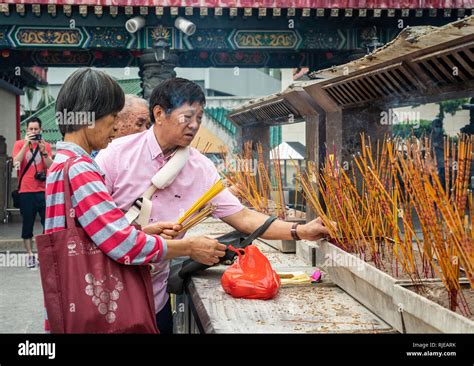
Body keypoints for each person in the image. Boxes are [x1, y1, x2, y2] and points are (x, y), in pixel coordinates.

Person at [95, 77, 331, 334]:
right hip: (105, 297)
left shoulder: (200, 168)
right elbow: (91, 224)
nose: (195, 125)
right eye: (187, 117)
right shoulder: (115, 155)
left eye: (199, 117)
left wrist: (300, 231)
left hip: (154, 298)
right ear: (159, 113)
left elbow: (243, 218)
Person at [43, 68, 226, 333]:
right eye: (113, 117)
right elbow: (122, 244)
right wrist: (188, 247)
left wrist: (141, 230)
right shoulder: (80, 169)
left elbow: (91, 235)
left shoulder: (60, 164)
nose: (116, 126)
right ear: (90, 116)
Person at [12, 117, 53, 268]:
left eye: (36, 129)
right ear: (27, 130)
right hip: (26, 191)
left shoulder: (46, 145)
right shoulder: (19, 144)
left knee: (47, 224)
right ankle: (29, 255)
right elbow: (17, 161)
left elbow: (51, 167)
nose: (34, 132)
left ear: (40, 130)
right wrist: (26, 145)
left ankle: (44, 254)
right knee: (27, 224)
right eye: (31, 129)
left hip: (42, 191)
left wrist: (44, 152)